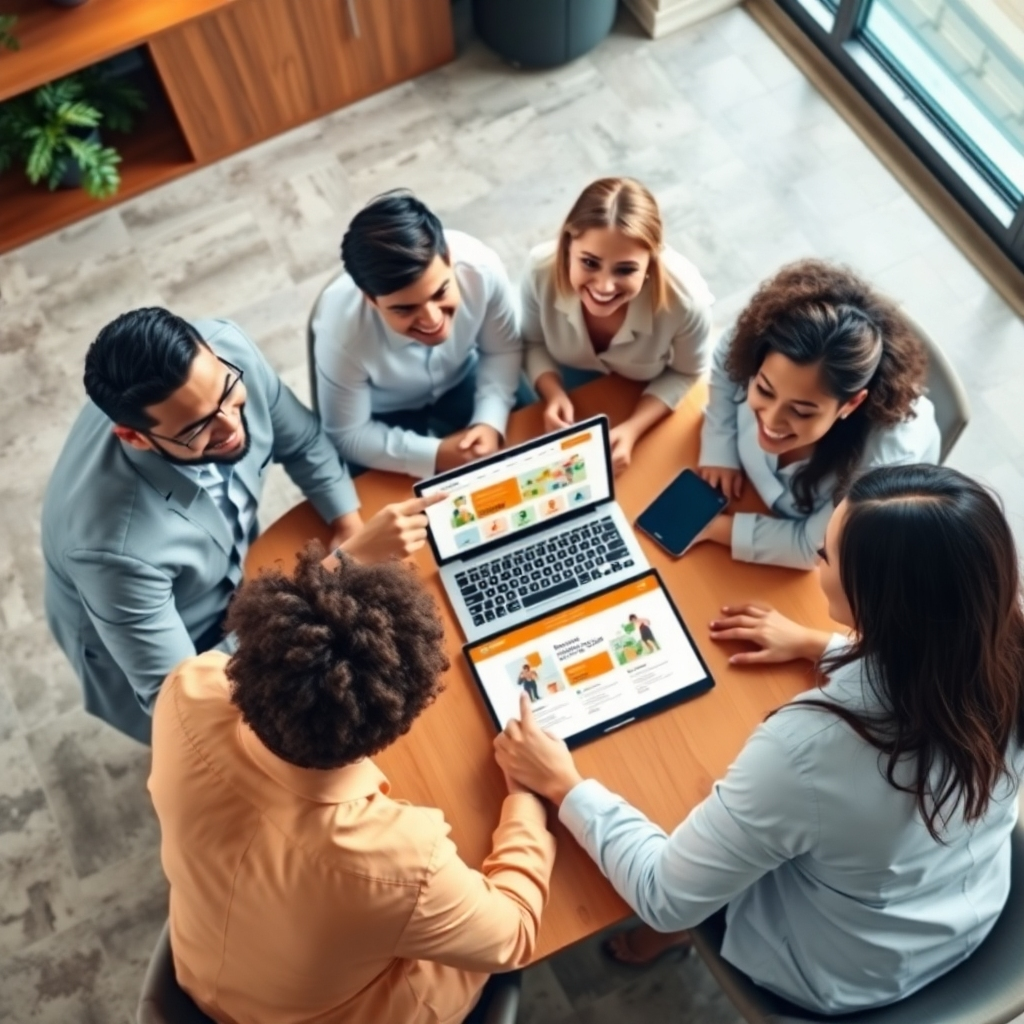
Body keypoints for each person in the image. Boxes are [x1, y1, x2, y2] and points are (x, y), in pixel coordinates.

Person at [494, 464, 1024, 1015]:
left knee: (686, 814)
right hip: (964, 902)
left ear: (877, 601)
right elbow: (927, 662)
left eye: (826, 556)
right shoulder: (1001, 648)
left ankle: (682, 942)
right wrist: (821, 646)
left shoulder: (812, 748)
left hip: (840, 968)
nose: (816, 559)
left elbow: (664, 897)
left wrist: (564, 785)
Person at [149, 546, 556, 1024]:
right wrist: (526, 798)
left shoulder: (187, 690)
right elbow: (515, 935)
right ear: (394, 724)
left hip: (202, 966)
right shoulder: (402, 862)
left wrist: (341, 565)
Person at [42, 308, 434, 745]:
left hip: (225, 575)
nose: (231, 426)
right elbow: (180, 698)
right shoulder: (112, 550)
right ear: (135, 438)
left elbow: (303, 440)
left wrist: (347, 521)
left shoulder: (226, 351)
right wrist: (340, 569)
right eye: (197, 428)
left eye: (228, 392)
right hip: (164, 636)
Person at [696, 259, 940, 569]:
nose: (771, 420)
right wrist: (719, 445)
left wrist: (707, 527)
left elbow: (812, 546)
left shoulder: (882, 463)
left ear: (850, 404)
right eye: (765, 390)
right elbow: (724, 355)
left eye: (801, 411)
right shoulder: (760, 343)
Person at [314, 190, 523, 479]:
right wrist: (437, 455)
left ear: (448, 257)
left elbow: (502, 350)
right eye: (405, 309)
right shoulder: (338, 330)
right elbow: (347, 434)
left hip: (465, 377)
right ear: (371, 299)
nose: (433, 320)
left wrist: (489, 420)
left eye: (440, 293)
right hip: (380, 414)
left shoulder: (482, 268)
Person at [521, 177, 714, 474]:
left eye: (625, 269)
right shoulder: (539, 270)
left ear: (651, 261)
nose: (604, 287)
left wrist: (633, 429)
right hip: (568, 383)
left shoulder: (686, 301)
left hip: (643, 393)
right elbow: (532, 342)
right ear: (568, 245)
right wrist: (553, 392)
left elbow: (688, 371)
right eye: (589, 263)